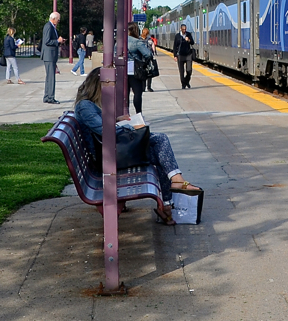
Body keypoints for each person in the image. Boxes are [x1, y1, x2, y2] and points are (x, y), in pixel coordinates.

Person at [72, 70, 200, 225]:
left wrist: (119, 121)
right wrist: (132, 127)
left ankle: (167, 200)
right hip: (108, 159)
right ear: (99, 86)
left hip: (110, 153)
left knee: (159, 151)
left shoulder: (88, 104)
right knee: (160, 141)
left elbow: (102, 126)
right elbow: (105, 131)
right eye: (109, 86)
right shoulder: (85, 106)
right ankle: (174, 186)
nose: (111, 91)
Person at [126, 23, 153, 113]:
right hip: (134, 68)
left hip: (122, 68)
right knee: (137, 93)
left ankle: (126, 113)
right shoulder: (137, 42)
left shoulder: (120, 41)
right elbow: (148, 54)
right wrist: (143, 62)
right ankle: (138, 113)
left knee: (125, 94)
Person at [42, 12, 64, 104]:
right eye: (58, 20)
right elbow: (47, 41)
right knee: (51, 77)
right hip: (49, 55)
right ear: (54, 19)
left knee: (49, 77)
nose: (58, 21)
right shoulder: (48, 26)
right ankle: (50, 97)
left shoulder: (51, 26)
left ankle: (47, 96)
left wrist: (59, 41)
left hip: (50, 55)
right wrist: (57, 41)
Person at [173, 23, 195, 89]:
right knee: (181, 71)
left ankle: (186, 81)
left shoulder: (188, 34)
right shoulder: (177, 36)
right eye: (183, 29)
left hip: (188, 54)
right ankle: (183, 84)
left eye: (185, 29)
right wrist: (175, 55)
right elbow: (174, 46)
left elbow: (192, 43)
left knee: (189, 70)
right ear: (180, 29)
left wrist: (189, 40)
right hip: (180, 55)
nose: (184, 30)